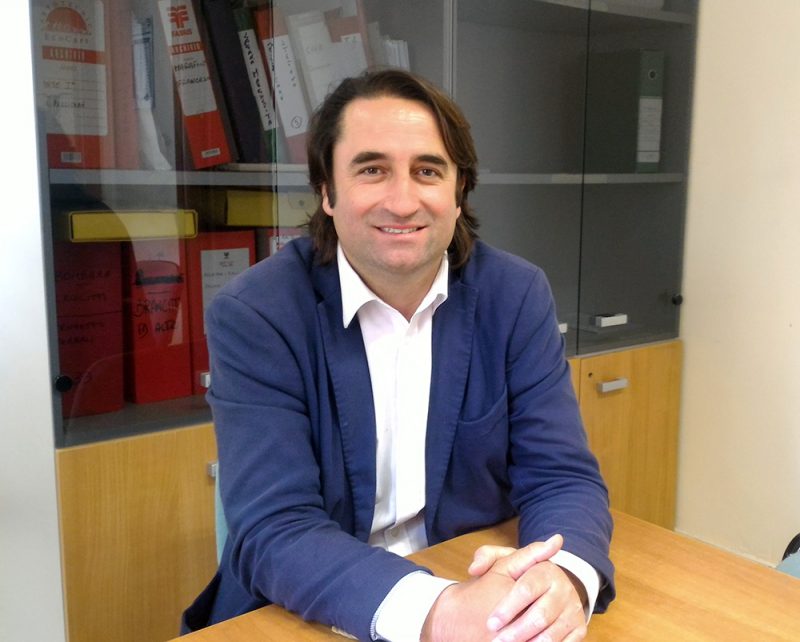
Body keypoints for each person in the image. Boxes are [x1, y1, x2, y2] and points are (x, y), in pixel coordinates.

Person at [182, 69, 615, 641]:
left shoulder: (514, 295)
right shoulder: (258, 313)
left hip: (471, 580)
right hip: (308, 608)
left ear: (458, 193)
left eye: (427, 171)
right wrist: (437, 612)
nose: (403, 201)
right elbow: (275, 527)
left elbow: (561, 477)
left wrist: (560, 579)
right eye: (372, 170)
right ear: (327, 192)